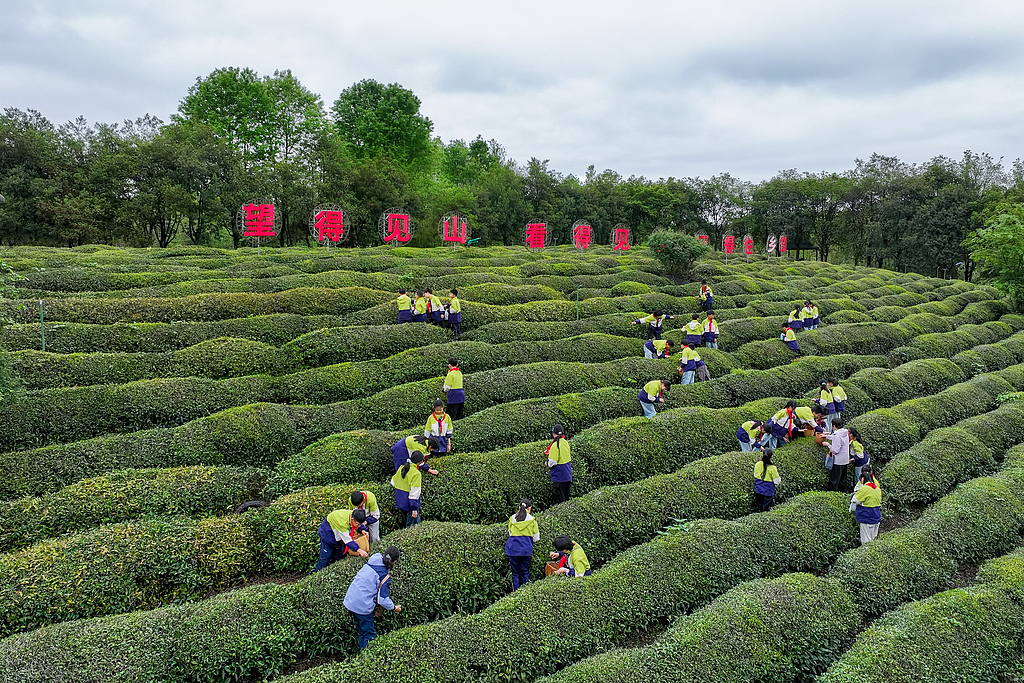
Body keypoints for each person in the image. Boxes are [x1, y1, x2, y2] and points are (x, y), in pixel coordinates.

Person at [343, 546, 402, 650]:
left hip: (350, 600)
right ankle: (366, 660)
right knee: (370, 635)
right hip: (362, 605)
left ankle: (360, 655)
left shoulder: (374, 561)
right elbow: (382, 600)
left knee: (362, 632)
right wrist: (394, 608)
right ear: (394, 562)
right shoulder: (384, 576)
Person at [505, 499, 540, 590]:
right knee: (524, 571)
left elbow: (510, 533)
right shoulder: (532, 520)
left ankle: (516, 593)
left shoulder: (512, 518)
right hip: (526, 550)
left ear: (519, 507)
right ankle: (526, 593)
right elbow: (536, 538)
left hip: (513, 549)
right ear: (529, 508)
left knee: (515, 572)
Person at [391, 452, 425, 527]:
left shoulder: (401, 468)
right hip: (410, 504)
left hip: (400, 502)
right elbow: (414, 493)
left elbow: (393, 482)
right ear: (419, 463)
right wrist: (414, 509)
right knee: (412, 528)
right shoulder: (416, 473)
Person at [850, 466, 881, 544]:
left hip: (867, 517)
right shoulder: (877, 489)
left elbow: (854, 500)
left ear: (863, 479)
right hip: (876, 516)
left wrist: (854, 494)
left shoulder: (865, 488)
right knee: (873, 540)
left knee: (865, 541)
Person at [546, 424, 572, 503]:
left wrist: (546, 462)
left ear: (554, 434)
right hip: (567, 475)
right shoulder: (565, 442)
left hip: (559, 477)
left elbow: (552, 462)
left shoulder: (555, 445)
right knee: (566, 499)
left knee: (560, 501)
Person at [825, 417, 851, 493]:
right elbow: (835, 437)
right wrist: (826, 436)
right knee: (843, 479)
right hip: (845, 460)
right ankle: (843, 494)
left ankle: (833, 495)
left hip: (838, 461)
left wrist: (828, 445)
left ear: (834, 426)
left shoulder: (837, 435)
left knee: (834, 480)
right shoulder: (845, 433)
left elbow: (835, 450)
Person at [753, 448, 781, 512]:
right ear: (771, 456)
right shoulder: (772, 468)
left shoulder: (757, 464)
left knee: (759, 508)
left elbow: (755, 475)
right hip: (767, 492)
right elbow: (777, 482)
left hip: (758, 490)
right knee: (765, 510)